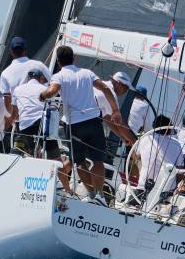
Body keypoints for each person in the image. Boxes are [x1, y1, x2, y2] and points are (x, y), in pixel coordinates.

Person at [39, 45, 120, 205]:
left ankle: (91, 195)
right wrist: (115, 110)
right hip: (93, 121)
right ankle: (100, 196)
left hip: (74, 125)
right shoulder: (87, 73)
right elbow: (105, 88)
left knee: (79, 162)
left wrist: (43, 95)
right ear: (74, 58)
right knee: (98, 161)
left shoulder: (59, 76)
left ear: (59, 62)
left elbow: (53, 91)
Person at [12, 69, 72, 191]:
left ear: (28, 78)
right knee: (56, 159)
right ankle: (67, 189)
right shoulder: (45, 89)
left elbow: (14, 113)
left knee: (34, 156)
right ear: (40, 78)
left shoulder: (17, 89)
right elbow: (55, 108)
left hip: (24, 127)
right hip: (41, 124)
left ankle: (33, 186)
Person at [133, 114, 184, 196]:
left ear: (154, 126)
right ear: (169, 128)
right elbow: (180, 171)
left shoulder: (144, 138)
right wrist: (176, 187)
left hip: (142, 189)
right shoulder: (176, 144)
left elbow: (136, 156)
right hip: (165, 192)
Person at [0, 36, 52, 114]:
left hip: (20, 117)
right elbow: (52, 86)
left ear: (11, 51)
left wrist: (16, 117)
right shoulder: (39, 65)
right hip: (41, 114)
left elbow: (7, 102)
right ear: (25, 50)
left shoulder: (5, 73)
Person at [94, 71, 137, 146]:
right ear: (118, 83)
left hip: (76, 121)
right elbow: (119, 124)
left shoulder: (102, 84)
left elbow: (107, 118)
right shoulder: (112, 95)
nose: (126, 91)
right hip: (86, 123)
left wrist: (122, 137)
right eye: (126, 88)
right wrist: (135, 142)